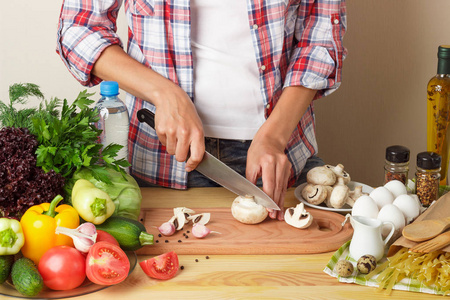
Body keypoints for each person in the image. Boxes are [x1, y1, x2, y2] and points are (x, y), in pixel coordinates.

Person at [56, 0, 347, 221]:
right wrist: (165, 94)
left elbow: (320, 39)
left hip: (278, 157)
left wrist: (274, 136)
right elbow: (78, 29)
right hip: (159, 156)